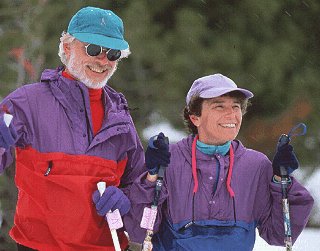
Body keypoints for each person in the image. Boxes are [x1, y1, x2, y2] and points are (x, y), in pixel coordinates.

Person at [0, 6, 146, 251]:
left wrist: (127, 200)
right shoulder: (27, 103)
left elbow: (141, 185)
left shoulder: (120, 117)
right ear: (67, 47)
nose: (103, 60)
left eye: (112, 54)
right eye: (94, 49)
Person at [127, 73, 314, 250]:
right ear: (194, 117)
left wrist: (282, 180)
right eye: (219, 106)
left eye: (236, 106)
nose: (231, 114)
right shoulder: (168, 160)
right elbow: (140, 232)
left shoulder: (256, 166)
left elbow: (280, 234)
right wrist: (152, 177)